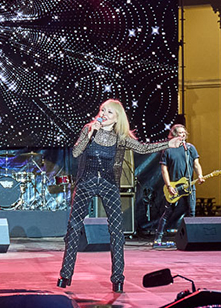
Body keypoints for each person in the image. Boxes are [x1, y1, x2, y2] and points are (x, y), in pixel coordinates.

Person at [57, 99, 183, 293]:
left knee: (116, 231)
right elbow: (75, 153)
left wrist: (169, 143)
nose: (104, 114)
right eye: (103, 110)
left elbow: (143, 148)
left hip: (108, 184)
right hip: (86, 183)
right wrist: (89, 135)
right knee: (74, 227)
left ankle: (118, 278)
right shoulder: (89, 130)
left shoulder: (121, 137)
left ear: (117, 118)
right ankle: (65, 275)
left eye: (109, 112)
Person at [152, 124, 205, 248]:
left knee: (191, 211)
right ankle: (158, 238)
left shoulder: (190, 148)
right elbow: (164, 170)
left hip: (188, 185)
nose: (183, 135)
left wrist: (200, 175)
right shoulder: (168, 150)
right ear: (174, 135)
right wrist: (169, 186)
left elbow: (196, 164)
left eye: (184, 133)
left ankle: (191, 237)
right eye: (180, 133)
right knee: (168, 212)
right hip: (174, 186)